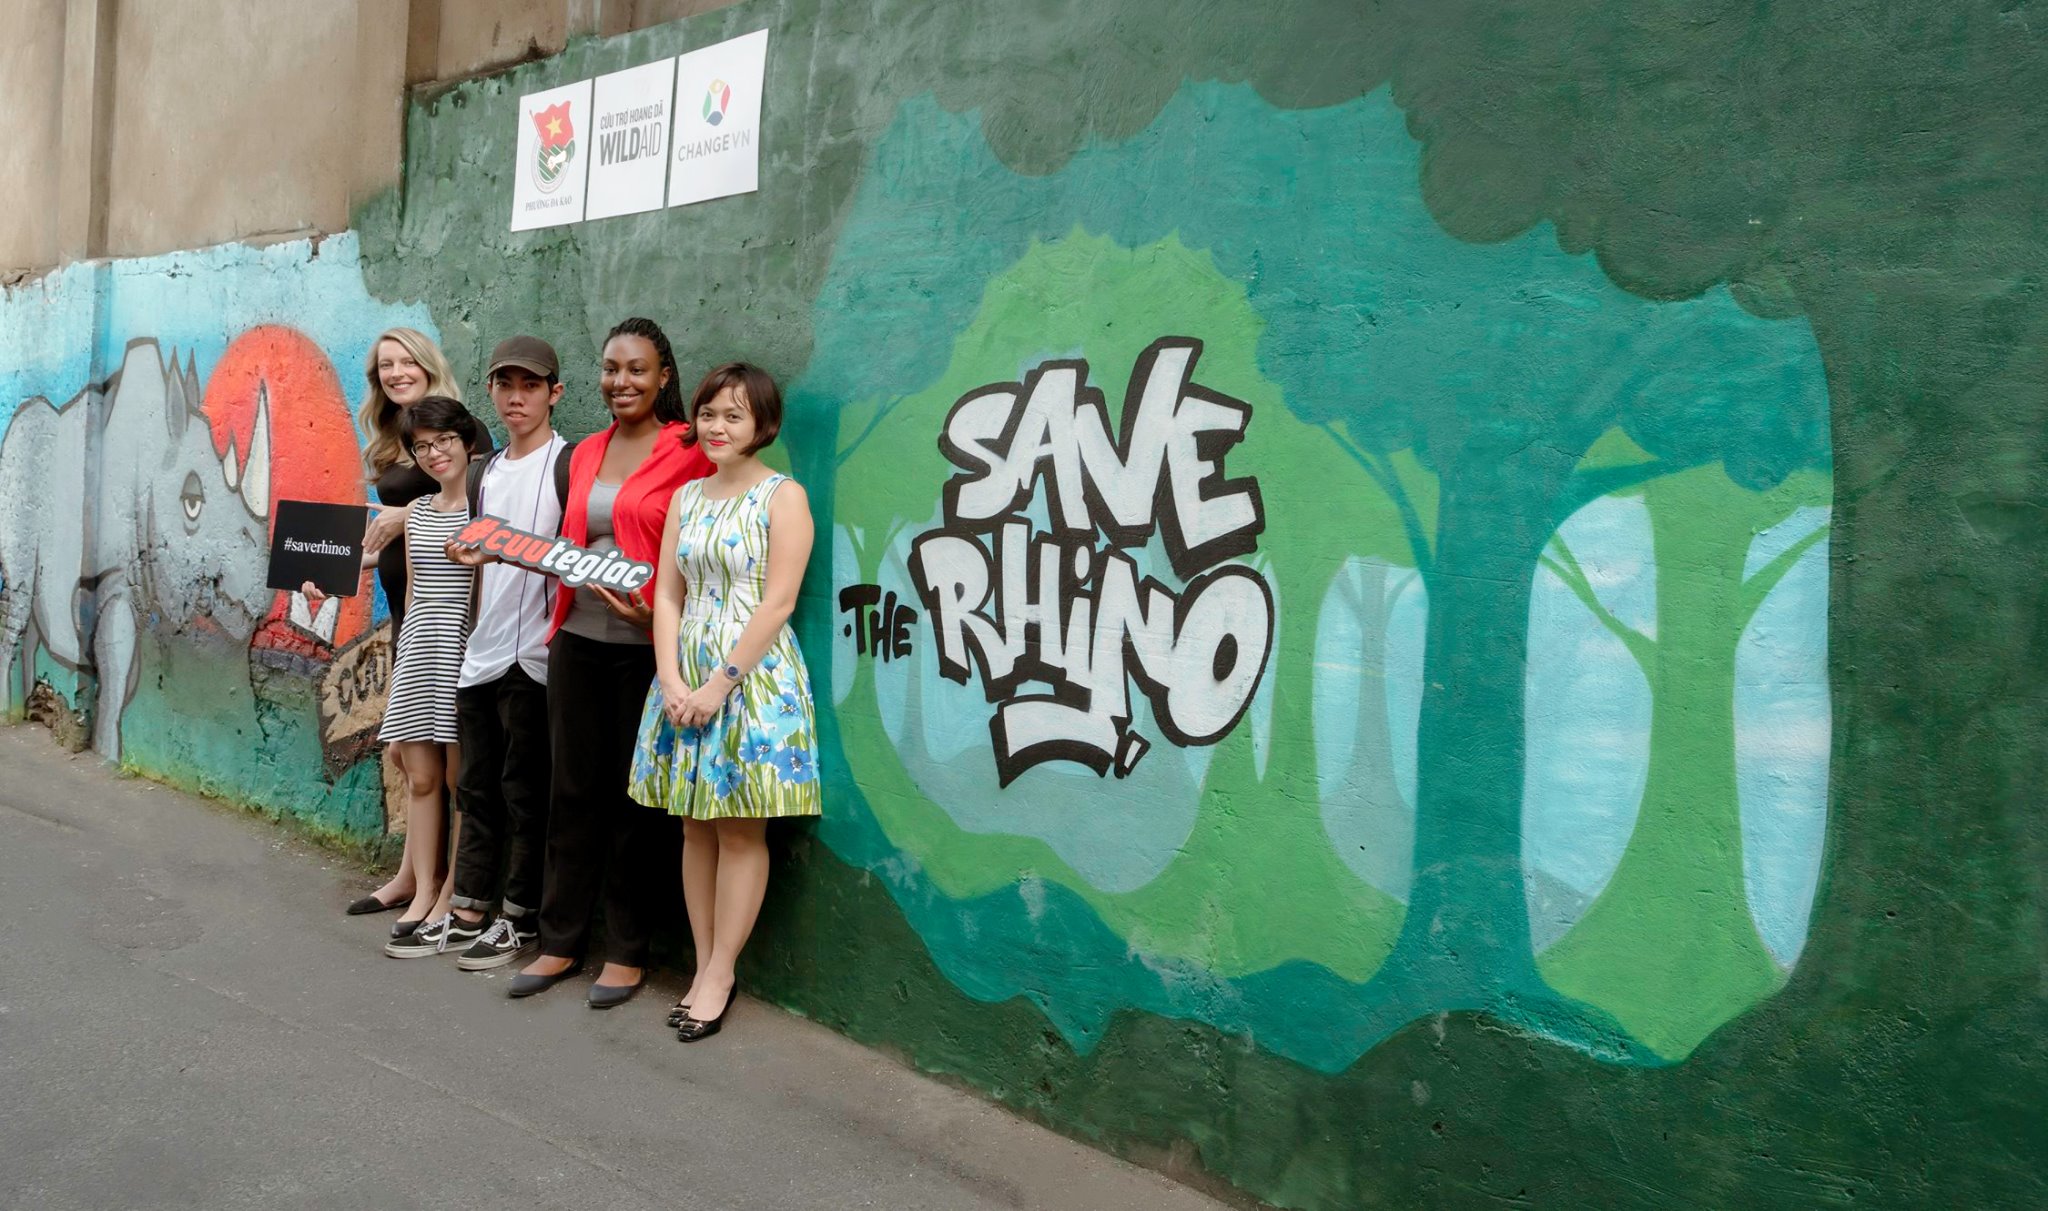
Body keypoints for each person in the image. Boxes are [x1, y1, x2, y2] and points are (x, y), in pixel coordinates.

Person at [508, 318, 713, 1006]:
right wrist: (487, 544)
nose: (620, 381)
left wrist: (653, 609)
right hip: (575, 642)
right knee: (570, 792)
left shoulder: (690, 447)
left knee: (635, 805)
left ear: (664, 377)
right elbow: (561, 542)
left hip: (646, 653)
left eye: (636, 369)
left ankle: (627, 951)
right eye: (610, 368)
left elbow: (705, 541)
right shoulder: (587, 451)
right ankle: (559, 940)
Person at [628, 363, 821, 1042]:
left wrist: (719, 682)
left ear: (761, 423)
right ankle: (704, 960)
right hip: (686, 674)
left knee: (740, 826)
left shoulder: (782, 496)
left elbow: (779, 601)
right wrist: (673, 678)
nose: (717, 426)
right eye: (709, 413)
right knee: (692, 823)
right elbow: (669, 594)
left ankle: (719, 972)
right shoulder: (687, 498)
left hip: (755, 678)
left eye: (733, 415)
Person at [386, 337, 574, 965]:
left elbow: (574, 557)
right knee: (475, 790)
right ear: (490, 392)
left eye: (529, 385)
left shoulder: (569, 464)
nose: (516, 397)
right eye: (504, 385)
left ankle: (517, 919)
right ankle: (466, 909)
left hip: (538, 657)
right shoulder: (485, 472)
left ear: (555, 393)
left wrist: (501, 548)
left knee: (526, 794)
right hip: (480, 653)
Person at [343, 328, 479, 935]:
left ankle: (443, 888)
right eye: (384, 366)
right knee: (408, 757)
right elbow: (391, 538)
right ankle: (412, 880)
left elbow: (469, 509)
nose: (396, 373)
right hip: (411, 610)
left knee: (446, 767)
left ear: (428, 364)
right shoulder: (395, 439)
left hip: (455, 621)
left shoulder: (460, 436)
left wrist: (406, 515)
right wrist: (337, 567)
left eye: (406, 362)